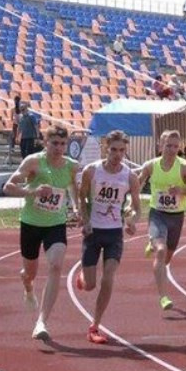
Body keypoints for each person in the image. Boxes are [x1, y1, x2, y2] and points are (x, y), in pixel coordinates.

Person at [2, 126, 80, 340]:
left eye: (63, 144)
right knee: (31, 273)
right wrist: (31, 191)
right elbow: (8, 187)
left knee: (56, 265)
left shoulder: (71, 167)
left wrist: (76, 208)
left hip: (55, 224)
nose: (59, 148)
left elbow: (74, 189)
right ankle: (27, 286)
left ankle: (42, 321)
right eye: (54, 143)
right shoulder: (33, 162)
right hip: (31, 223)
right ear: (46, 143)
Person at [75, 130, 141, 344]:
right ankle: (84, 279)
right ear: (106, 148)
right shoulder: (91, 171)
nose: (117, 154)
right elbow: (82, 196)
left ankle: (95, 325)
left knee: (109, 278)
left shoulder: (130, 176)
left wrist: (131, 219)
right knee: (91, 285)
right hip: (93, 231)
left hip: (114, 233)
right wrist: (84, 220)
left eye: (122, 150)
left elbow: (136, 207)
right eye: (113, 149)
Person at [138, 130, 186, 311]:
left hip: (177, 217)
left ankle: (153, 244)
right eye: (168, 146)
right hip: (157, 214)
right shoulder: (150, 166)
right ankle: (163, 296)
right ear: (160, 146)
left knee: (166, 259)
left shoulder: (185, 167)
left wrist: (182, 190)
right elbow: (138, 184)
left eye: (175, 146)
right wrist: (131, 204)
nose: (172, 150)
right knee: (161, 250)